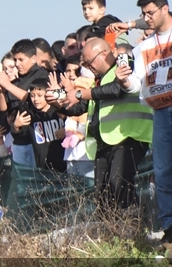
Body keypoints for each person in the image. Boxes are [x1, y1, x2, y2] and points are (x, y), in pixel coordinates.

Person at [122, 0, 172, 245]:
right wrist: (125, 80)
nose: (146, 17)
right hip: (160, 112)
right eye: (143, 13)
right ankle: (171, 227)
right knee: (163, 172)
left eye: (150, 12)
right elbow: (135, 84)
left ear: (164, 8)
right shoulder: (143, 48)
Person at [52, 38, 150, 211]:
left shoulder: (125, 65)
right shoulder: (99, 80)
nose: (88, 68)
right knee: (102, 193)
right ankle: (112, 232)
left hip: (129, 136)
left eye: (89, 63)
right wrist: (56, 103)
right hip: (106, 142)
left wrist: (81, 93)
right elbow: (81, 108)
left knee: (119, 183)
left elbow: (116, 90)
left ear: (104, 54)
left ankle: (135, 226)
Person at [0, 39, 49, 167]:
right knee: (22, 184)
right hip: (18, 140)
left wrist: (7, 85)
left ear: (33, 58)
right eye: (15, 60)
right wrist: (0, 91)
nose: (17, 64)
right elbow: (2, 110)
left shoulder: (42, 76)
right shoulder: (16, 82)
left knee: (37, 182)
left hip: (37, 140)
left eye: (21, 60)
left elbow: (35, 99)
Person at [12, 83, 65, 172]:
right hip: (43, 169)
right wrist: (16, 126)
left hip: (64, 167)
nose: (35, 99)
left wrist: (66, 130)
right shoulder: (30, 116)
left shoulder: (58, 112)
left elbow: (74, 123)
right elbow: (21, 137)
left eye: (40, 95)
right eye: (32, 96)